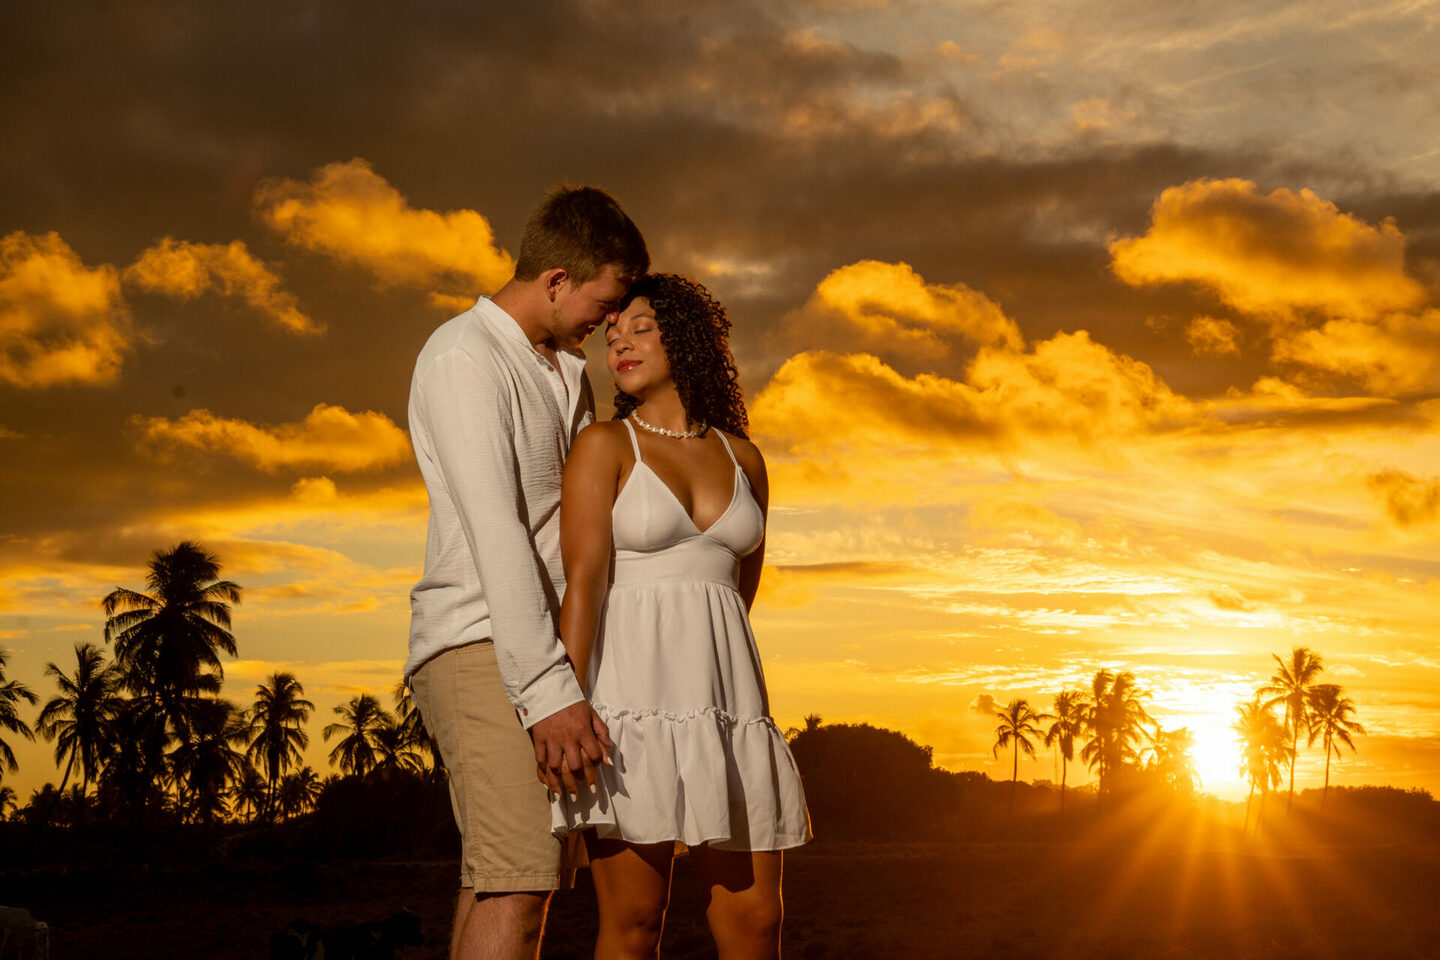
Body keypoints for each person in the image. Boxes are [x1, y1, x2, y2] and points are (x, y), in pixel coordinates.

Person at [405, 185, 648, 960]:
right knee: (519, 879)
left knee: (500, 880)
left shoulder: (563, 371)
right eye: (604, 301)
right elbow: (498, 534)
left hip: (536, 648)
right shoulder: (462, 357)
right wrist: (548, 696)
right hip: (482, 647)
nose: (607, 322)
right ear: (555, 280)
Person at [551, 274, 811, 959]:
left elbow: (734, 591)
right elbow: (582, 584)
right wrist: (562, 706)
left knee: (757, 922)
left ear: (688, 339)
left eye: (640, 328)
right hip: (627, 711)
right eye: (612, 336)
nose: (622, 345)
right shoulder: (605, 445)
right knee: (636, 922)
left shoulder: (744, 458)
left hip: (726, 711)